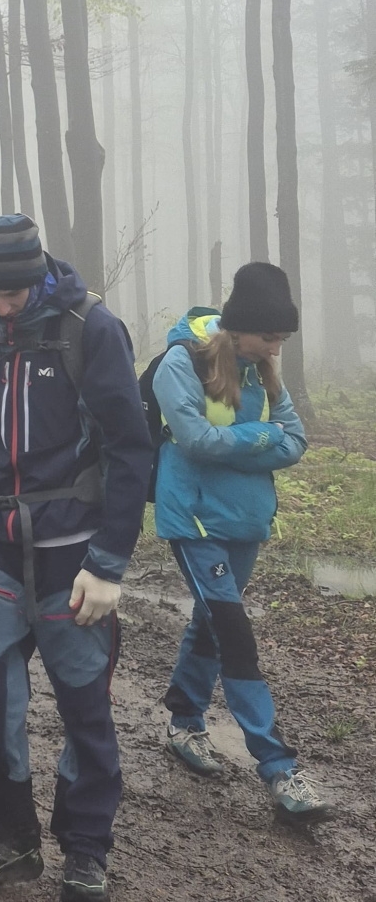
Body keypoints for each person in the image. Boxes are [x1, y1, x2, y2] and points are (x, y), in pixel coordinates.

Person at [0, 214, 152, 902]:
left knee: (85, 705)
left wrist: (109, 560)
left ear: (37, 276)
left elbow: (129, 448)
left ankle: (85, 848)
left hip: (73, 558)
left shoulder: (91, 330)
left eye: (10, 295)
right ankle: (11, 837)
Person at [151, 265, 327, 818]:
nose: (276, 349)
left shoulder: (263, 374)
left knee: (211, 620)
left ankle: (184, 721)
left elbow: (296, 442)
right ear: (240, 327)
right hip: (196, 521)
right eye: (270, 337)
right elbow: (196, 440)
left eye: (282, 339)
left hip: (247, 521)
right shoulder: (183, 363)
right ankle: (280, 768)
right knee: (234, 630)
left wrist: (252, 439)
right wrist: (260, 435)